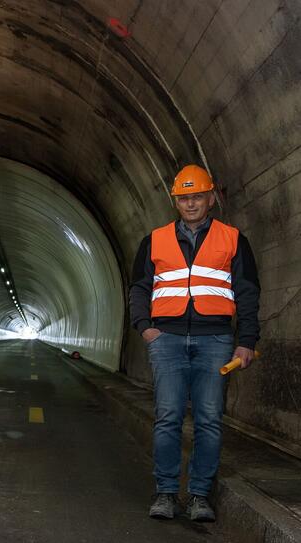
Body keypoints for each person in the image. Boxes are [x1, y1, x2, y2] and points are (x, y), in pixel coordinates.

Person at [129, 165, 260, 522]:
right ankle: (167, 493)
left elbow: (247, 293)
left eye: (197, 196)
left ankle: (200, 496)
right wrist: (145, 328)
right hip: (167, 339)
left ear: (211, 197)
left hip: (215, 339)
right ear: (176, 201)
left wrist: (245, 340)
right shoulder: (154, 240)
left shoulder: (233, 239)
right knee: (168, 417)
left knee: (209, 420)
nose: (190, 204)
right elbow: (139, 288)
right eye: (184, 198)